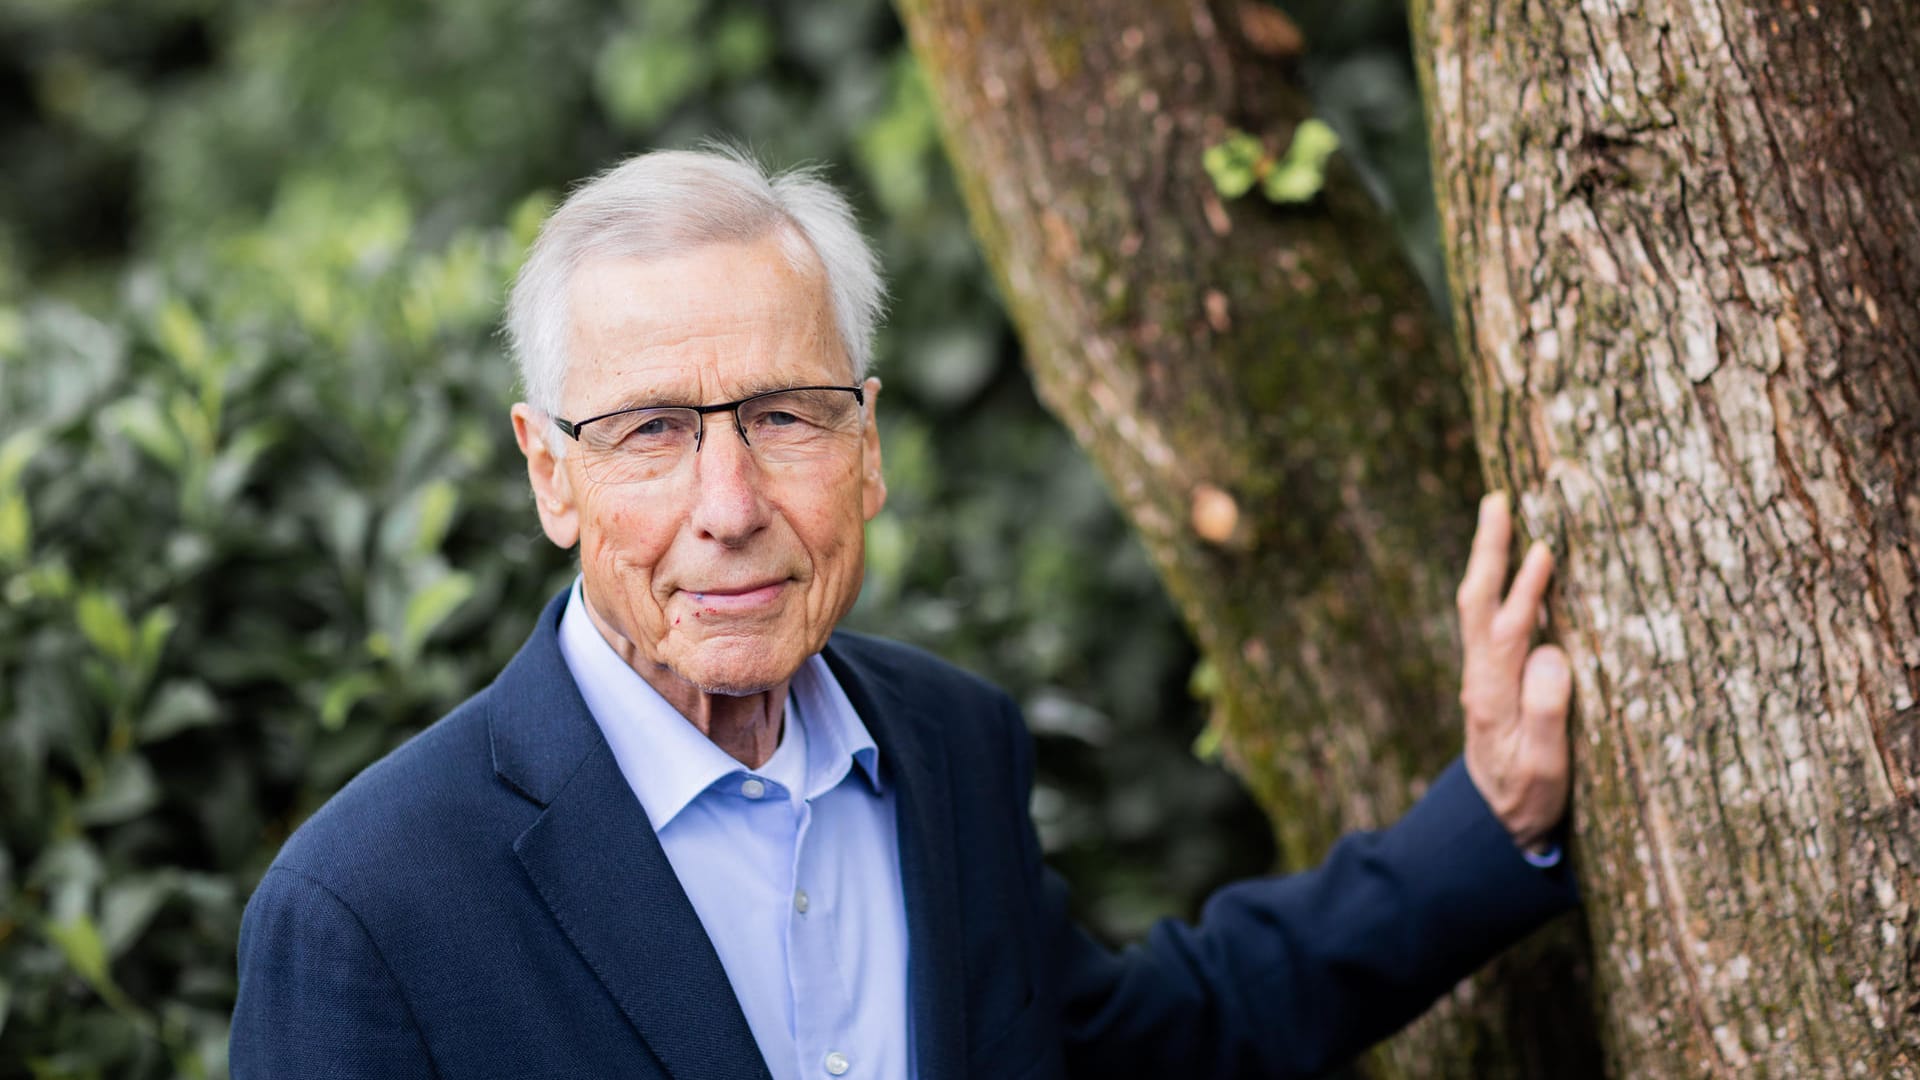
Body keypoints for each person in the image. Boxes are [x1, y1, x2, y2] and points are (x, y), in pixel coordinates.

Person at [230, 147, 1578, 1080]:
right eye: (651, 431)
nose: (730, 501)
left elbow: (1138, 1042)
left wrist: (1494, 817)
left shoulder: (946, 747)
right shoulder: (366, 909)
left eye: (784, 416)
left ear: (866, 447)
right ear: (551, 473)